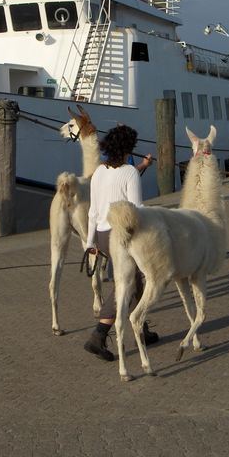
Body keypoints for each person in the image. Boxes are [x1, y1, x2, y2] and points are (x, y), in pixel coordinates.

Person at [83, 125, 158, 361]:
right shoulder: (129, 172)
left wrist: (89, 242)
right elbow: (137, 209)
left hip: (103, 236)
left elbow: (93, 211)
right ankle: (98, 335)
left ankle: (142, 330)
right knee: (126, 283)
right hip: (123, 235)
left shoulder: (99, 172)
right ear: (128, 148)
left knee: (133, 279)